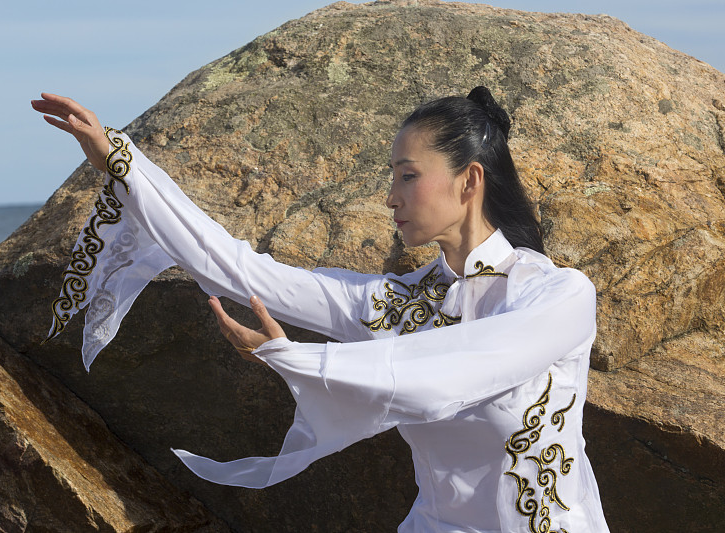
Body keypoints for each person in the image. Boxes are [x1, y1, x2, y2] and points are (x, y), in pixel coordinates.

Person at [32, 87, 610, 532]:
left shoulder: (557, 297)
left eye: (408, 176)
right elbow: (242, 270)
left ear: (470, 181)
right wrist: (124, 166)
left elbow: (452, 372)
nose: (391, 197)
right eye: (391, 177)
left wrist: (298, 359)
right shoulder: (395, 304)